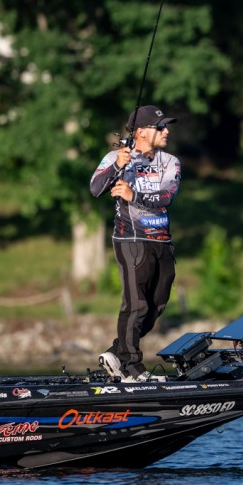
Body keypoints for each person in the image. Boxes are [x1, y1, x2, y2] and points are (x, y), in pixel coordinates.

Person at [90, 104, 180, 382]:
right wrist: (118, 166)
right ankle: (132, 368)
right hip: (130, 239)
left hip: (162, 241)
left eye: (165, 126)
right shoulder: (116, 158)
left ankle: (116, 354)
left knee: (156, 305)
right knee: (136, 304)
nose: (166, 131)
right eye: (160, 127)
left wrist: (133, 195)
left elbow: (167, 197)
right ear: (140, 132)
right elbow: (96, 188)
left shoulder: (171, 162)